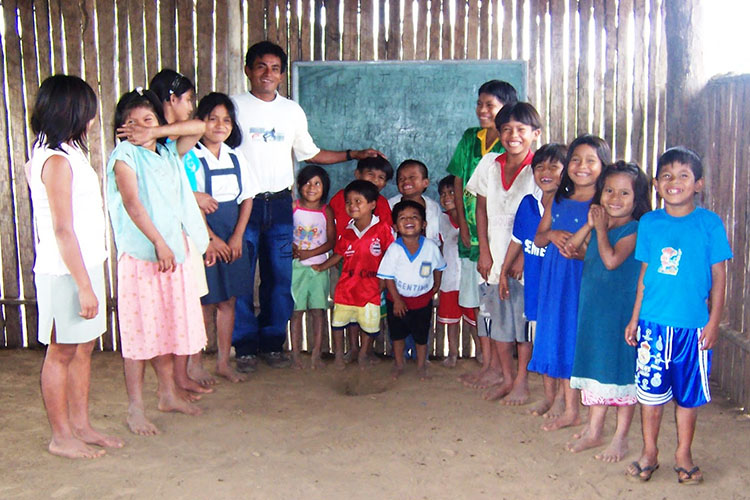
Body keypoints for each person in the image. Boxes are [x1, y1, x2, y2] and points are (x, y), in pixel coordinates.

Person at [231, 40, 382, 372]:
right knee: (242, 278)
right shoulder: (233, 107)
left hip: (282, 205)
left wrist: (353, 154)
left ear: (282, 74)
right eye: (260, 67)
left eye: (274, 68)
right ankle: (243, 348)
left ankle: (271, 344)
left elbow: (311, 153)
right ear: (248, 70)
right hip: (244, 204)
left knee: (280, 278)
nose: (267, 74)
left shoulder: (291, 111)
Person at [29, 75, 124, 458]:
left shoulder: (69, 153)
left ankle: (81, 425)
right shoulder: (54, 160)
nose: (92, 119)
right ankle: (60, 435)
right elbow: (63, 230)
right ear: (70, 112)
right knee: (61, 352)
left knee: (82, 347)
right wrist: (84, 286)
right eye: (87, 111)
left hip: (83, 267)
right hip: (65, 272)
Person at [624, 147, 732, 484]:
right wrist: (634, 318)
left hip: (693, 329)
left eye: (684, 175)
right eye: (667, 176)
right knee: (650, 395)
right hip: (653, 325)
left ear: (698, 184)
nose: (675, 182)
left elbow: (719, 278)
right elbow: (644, 275)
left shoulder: (709, 224)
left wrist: (713, 322)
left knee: (688, 397)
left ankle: (683, 452)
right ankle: (649, 451)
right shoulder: (651, 223)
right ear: (656, 184)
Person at [107, 88, 209, 435]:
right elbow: (133, 204)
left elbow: (198, 128)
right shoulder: (124, 157)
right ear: (120, 129)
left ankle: (168, 393)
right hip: (144, 258)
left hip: (171, 255)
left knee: (164, 327)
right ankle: (135, 408)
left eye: (146, 120)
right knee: (139, 336)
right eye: (130, 122)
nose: (139, 127)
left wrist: (156, 132)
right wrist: (158, 242)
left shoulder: (166, 153)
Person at [563, 161, 651, 462]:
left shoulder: (634, 229)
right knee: (596, 368)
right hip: (594, 311)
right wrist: (589, 224)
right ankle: (594, 429)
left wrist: (599, 230)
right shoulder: (603, 226)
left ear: (637, 199)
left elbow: (612, 260)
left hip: (620, 314)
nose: (614, 198)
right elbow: (570, 248)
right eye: (609, 191)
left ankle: (620, 437)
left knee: (620, 371)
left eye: (624, 193)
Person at [528, 134, 611, 432]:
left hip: (584, 279)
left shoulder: (604, 202)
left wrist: (582, 254)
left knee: (578, 338)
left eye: (591, 160)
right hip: (555, 278)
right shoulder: (559, 199)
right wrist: (551, 235)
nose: (582, 166)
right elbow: (538, 236)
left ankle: (580, 410)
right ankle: (568, 407)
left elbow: (607, 250)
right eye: (576, 159)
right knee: (559, 335)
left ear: (604, 165)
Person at [466, 102, 541, 402]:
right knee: (496, 319)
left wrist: (522, 257)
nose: (513, 135)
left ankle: (522, 379)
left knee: (522, 324)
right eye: (506, 129)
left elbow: (541, 215)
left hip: (524, 259)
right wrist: (484, 251)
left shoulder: (540, 169)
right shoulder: (488, 163)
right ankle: (506, 377)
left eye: (521, 129)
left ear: (535, 134)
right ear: (498, 132)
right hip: (493, 255)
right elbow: (480, 208)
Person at [149, 69, 214, 391]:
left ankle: (179, 379)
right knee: (168, 315)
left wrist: (158, 130)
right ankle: (169, 386)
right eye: (187, 99)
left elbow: (200, 126)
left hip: (183, 239)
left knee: (183, 311)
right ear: (171, 99)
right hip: (163, 243)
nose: (190, 107)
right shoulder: (147, 149)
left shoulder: (165, 144)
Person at [449, 80, 518, 380]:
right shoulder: (470, 137)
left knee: (502, 301)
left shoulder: (511, 142)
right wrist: (463, 224)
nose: (482, 110)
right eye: (479, 103)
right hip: (474, 237)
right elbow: (457, 179)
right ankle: (488, 361)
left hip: (502, 238)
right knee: (483, 301)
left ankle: (503, 367)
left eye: (489, 104)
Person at [190, 92, 257, 383]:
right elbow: (189, 202)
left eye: (226, 120)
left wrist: (237, 237)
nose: (220, 125)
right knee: (203, 301)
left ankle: (222, 363)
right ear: (200, 121)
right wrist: (210, 239)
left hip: (232, 236)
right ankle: (194, 364)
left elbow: (248, 199)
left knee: (228, 301)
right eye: (212, 118)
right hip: (204, 237)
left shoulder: (236, 156)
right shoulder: (190, 156)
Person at [498, 143, 566, 406]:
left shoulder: (568, 208)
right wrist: (503, 272)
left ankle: (562, 398)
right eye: (539, 167)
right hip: (534, 288)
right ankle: (548, 397)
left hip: (559, 290)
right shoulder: (528, 204)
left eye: (554, 167)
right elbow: (517, 240)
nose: (545, 172)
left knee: (560, 344)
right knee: (540, 342)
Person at [312, 180, 394, 369]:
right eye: (348, 202)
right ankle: (340, 354)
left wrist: (384, 278)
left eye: (358, 201)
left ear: (372, 204)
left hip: (371, 288)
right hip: (346, 288)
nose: (352, 206)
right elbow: (338, 255)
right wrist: (322, 266)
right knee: (340, 323)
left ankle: (364, 353)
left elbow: (391, 256)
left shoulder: (382, 229)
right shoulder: (347, 232)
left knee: (370, 325)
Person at [328, 155, 394, 362]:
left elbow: (387, 245)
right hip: (345, 265)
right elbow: (332, 228)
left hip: (372, 271)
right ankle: (353, 349)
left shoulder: (382, 204)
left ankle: (366, 351)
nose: (375, 180)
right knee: (347, 308)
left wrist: (383, 275)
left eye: (381, 177)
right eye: (370, 174)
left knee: (369, 310)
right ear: (357, 174)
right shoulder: (340, 199)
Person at [377, 200, 445, 380]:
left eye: (414, 217)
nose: (409, 220)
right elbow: (388, 277)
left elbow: (439, 267)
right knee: (397, 335)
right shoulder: (394, 249)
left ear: (423, 224)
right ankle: (399, 364)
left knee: (421, 335)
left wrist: (436, 285)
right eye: (403, 218)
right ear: (395, 226)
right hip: (397, 301)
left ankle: (422, 365)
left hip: (422, 301)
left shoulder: (431, 247)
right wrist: (397, 300)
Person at [290, 165, 335, 370]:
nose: (311, 187)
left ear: (324, 188)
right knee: (296, 312)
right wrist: (293, 248)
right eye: (307, 183)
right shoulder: (294, 207)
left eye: (317, 183)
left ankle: (316, 353)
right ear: (300, 186)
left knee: (318, 311)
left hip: (318, 267)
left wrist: (310, 254)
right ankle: (296, 354)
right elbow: (285, 232)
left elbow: (331, 242)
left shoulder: (326, 210)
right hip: (296, 268)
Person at [436, 175, 477, 368]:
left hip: (470, 279)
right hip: (449, 279)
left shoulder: (472, 217)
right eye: (443, 194)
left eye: (452, 192)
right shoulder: (441, 220)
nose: (446, 197)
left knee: (474, 320)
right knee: (450, 321)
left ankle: (481, 352)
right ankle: (453, 353)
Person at [387, 159, 441, 245]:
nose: (406, 181)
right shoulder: (389, 205)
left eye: (412, 177)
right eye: (401, 179)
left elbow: (439, 237)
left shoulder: (434, 207)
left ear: (425, 182)